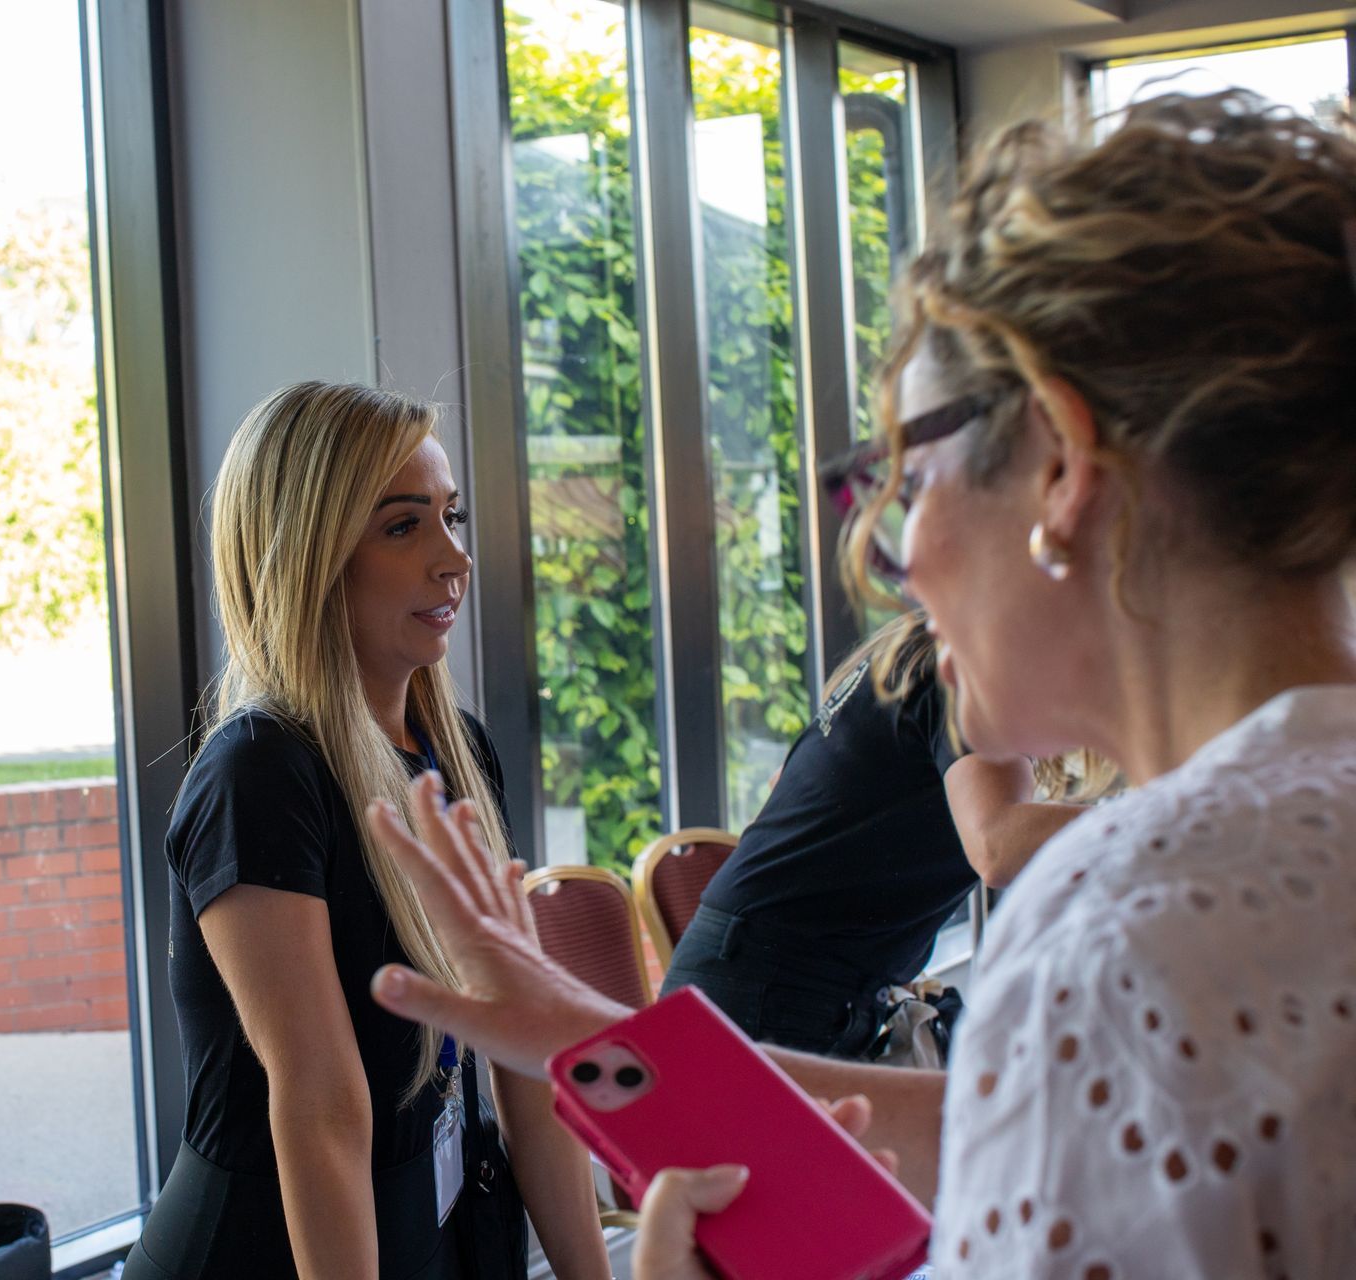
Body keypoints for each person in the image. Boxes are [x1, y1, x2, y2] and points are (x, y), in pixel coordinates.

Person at [364, 90, 1356, 1278]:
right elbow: (1039, 1120)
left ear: (1058, 464)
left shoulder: (1127, 915)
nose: (895, 547)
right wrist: (604, 1039)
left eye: (910, 473)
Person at [123, 383, 607, 1279]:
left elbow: (524, 1053)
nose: (453, 558)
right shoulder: (260, 772)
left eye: (452, 518)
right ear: (309, 556)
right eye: (403, 526)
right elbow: (322, 1108)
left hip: (437, 1231)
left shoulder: (456, 753)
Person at [662, 607, 1086, 1059]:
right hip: (773, 990)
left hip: (761, 975)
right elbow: (996, 844)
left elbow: (785, 789)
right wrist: (1149, 814)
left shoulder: (908, 657)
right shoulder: (963, 668)